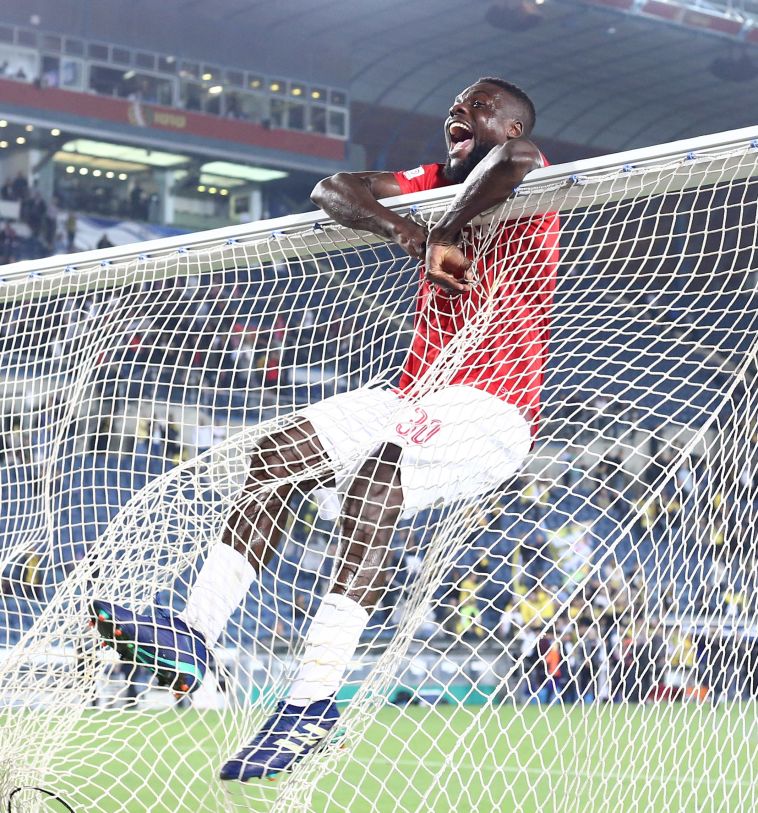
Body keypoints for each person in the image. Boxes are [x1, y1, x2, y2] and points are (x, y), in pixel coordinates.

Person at [90, 77, 560, 780]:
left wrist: (448, 230)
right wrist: (409, 231)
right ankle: (193, 632)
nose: (458, 110)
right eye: (456, 105)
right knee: (279, 452)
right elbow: (333, 189)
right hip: (414, 392)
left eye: (479, 105)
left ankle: (312, 703)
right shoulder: (433, 181)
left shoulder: (529, 173)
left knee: (378, 479)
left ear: (512, 124)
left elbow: (515, 161)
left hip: (495, 409)